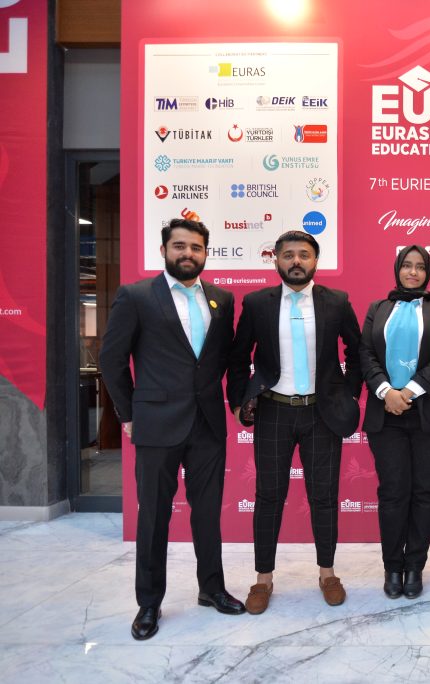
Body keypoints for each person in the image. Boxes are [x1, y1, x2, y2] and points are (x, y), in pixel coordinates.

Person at [99, 218, 244, 641]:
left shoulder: (222, 299)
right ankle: (149, 602)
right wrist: (128, 415)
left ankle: (211, 588)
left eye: (196, 247)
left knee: (208, 514)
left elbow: (227, 359)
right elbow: (112, 359)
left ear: (206, 253)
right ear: (163, 250)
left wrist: (239, 400)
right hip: (156, 424)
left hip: (208, 424)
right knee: (154, 516)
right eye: (179, 246)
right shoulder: (137, 296)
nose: (188, 253)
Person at [226, 230, 362, 615]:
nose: (296, 261)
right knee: (269, 496)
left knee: (324, 496)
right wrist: (238, 401)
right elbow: (238, 357)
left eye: (304, 254)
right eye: (288, 255)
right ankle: (263, 579)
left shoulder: (337, 301)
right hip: (274, 411)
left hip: (322, 413)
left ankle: (328, 574)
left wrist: (349, 394)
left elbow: (357, 350)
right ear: (276, 260)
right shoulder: (257, 303)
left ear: (315, 260)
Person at [360, 245, 430, 599]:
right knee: (393, 492)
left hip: (429, 414)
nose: (413, 272)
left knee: (424, 492)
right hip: (386, 414)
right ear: (397, 269)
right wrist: (387, 392)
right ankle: (392, 567)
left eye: (420, 267)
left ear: (428, 272)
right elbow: (365, 353)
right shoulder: (378, 309)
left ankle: (415, 566)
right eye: (407, 266)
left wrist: (410, 391)